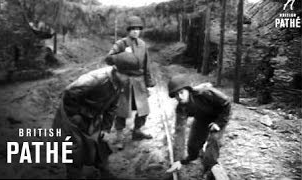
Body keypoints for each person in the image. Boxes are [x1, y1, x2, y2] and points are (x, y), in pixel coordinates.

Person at [52, 66, 124, 179]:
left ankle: (103, 172)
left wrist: (106, 128)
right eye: (128, 75)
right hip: (72, 116)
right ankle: (74, 176)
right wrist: (75, 114)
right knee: (74, 151)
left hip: (92, 116)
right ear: (118, 71)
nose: (130, 78)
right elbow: (69, 92)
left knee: (100, 145)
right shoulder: (95, 79)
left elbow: (112, 107)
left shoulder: (119, 82)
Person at [104, 15, 156, 150]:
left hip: (139, 82)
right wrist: (123, 56)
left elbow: (146, 64)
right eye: (133, 29)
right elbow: (108, 59)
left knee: (143, 110)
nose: (135, 31)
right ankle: (119, 138)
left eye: (138, 29)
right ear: (128, 30)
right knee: (121, 111)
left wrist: (149, 82)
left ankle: (137, 131)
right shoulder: (121, 43)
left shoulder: (143, 45)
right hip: (125, 81)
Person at [166, 75, 231, 179]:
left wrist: (219, 123)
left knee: (213, 141)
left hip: (218, 118)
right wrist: (178, 160)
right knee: (193, 145)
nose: (180, 97)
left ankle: (209, 168)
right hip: (202, 119)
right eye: (176, 95)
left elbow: (226, 103)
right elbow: (179, 133)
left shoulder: (204, 92)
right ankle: (191, 158)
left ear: (188, 90)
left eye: (181, 92)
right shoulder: (181, 108)